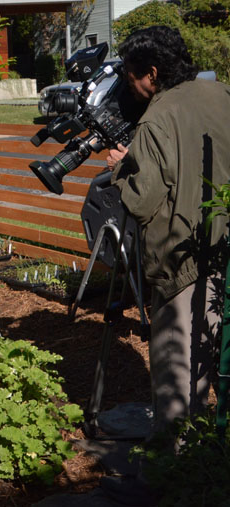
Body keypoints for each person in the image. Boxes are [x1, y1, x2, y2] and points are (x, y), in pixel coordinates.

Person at [104, 26, 230, 503]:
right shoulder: (221, 92)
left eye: (132, 78)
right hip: (226, 255)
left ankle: (172, 482)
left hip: (186, 265)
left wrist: (122, 164)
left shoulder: (158, 118)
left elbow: (144, 200)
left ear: (151, 74)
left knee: (180, 383)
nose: (130, 88)